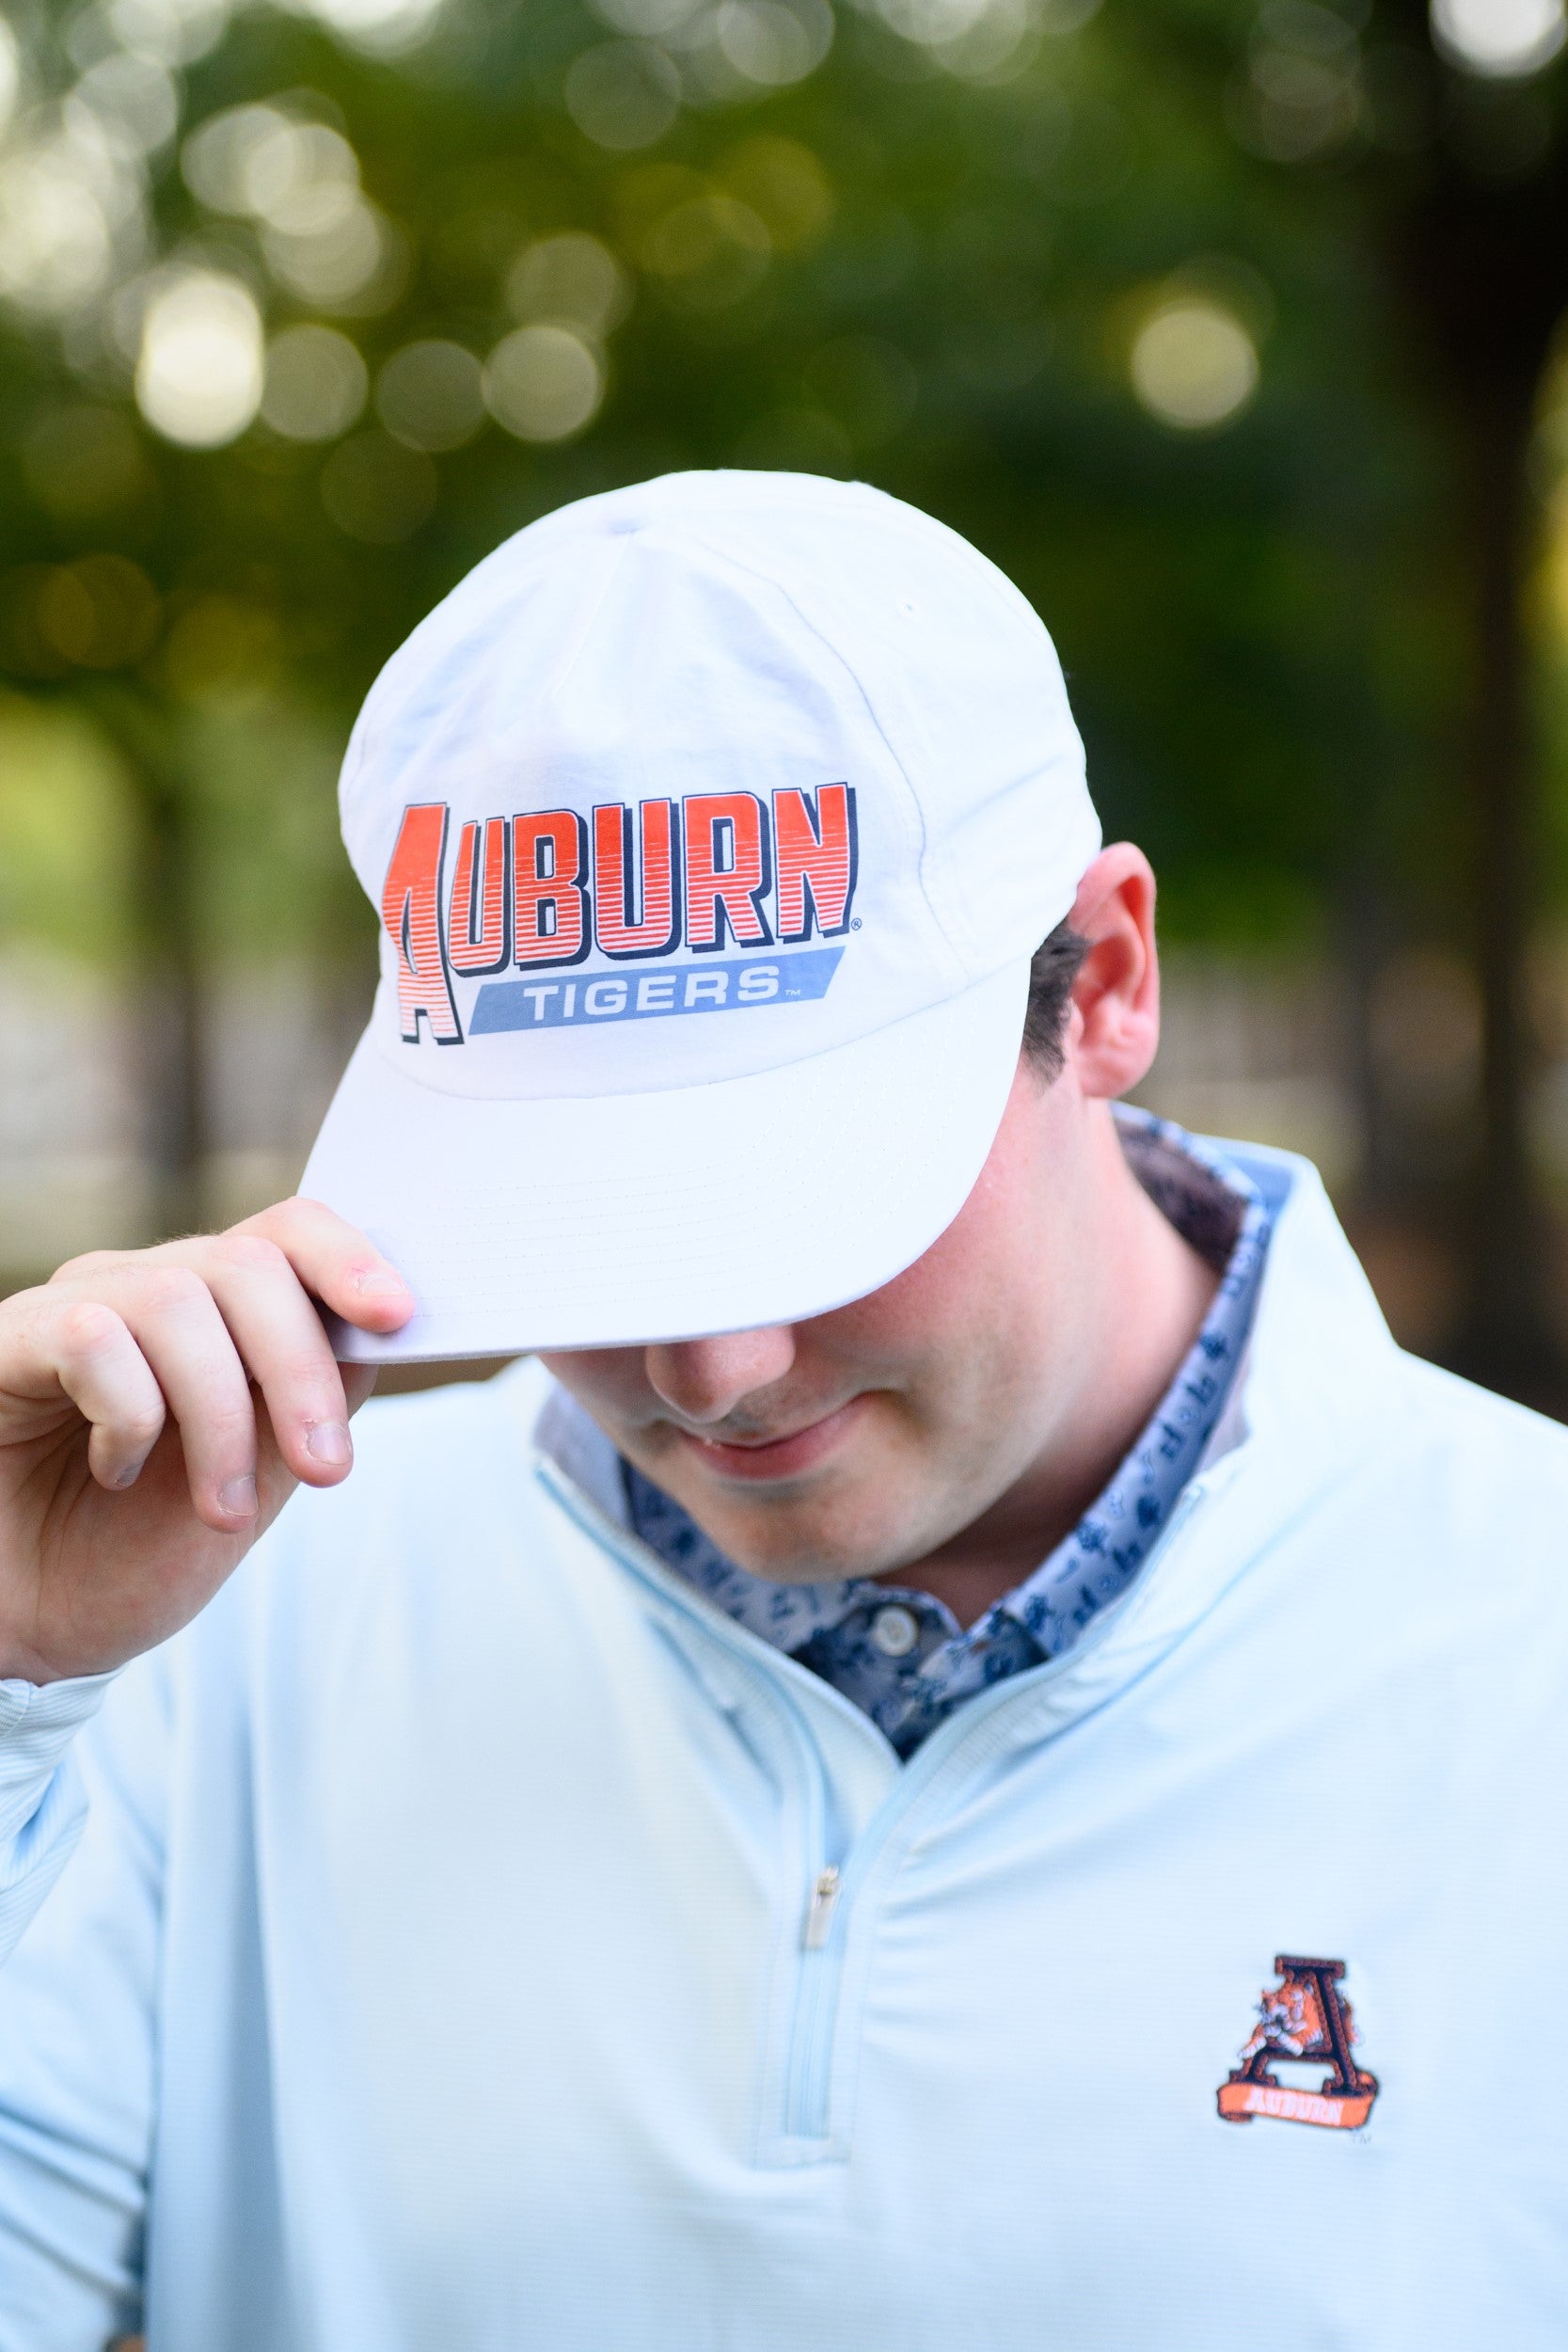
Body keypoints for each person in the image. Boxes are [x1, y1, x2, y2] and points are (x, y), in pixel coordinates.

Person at [0, 471, 1564, 2352]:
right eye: (587, 1215)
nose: (711, 1366)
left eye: (820, 1202)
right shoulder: (204, 1632)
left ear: (1111, 979)